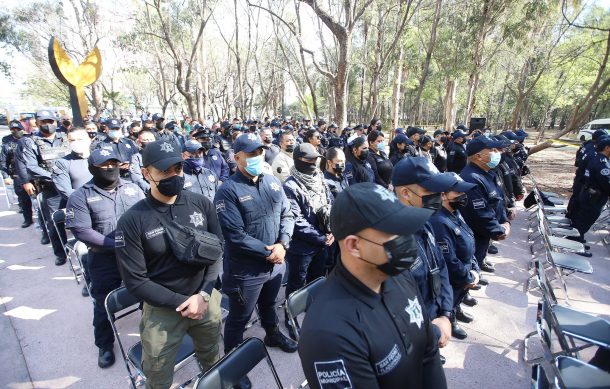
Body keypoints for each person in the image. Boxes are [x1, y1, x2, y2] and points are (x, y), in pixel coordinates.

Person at [298, 182, 446, 389]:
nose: (407, 239)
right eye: (394, 231)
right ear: (354, 245)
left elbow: (428, 353)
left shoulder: (399, 274)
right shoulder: (328, 336)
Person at [116, 140, 223, 388]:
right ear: (146, 173)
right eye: (164, 171)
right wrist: (183, 303)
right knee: (158, 374)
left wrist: (204, 294)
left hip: (205, 299)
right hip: (162, 311)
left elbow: (217, 252)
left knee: (212, 357)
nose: (173, 176)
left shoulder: (201, 204)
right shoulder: (132, 221)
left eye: (177, 169)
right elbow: (135, 280)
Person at [214, 133, 297, 387]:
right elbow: (235, 236)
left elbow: (287, 213)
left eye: (260, 152)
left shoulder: (272, 182)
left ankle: (272, 335)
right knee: (239, 317)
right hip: (245, 271)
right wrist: (270, 251)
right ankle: (234, 365)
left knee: (269, 304)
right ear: (237, 157)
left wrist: (283, 244)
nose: (257, 158)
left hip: (274, 264)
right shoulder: (227, 191)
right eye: (251, 154)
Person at [65, 148, 144, 368]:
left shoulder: (133, 189)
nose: (110, 168)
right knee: (103, 303)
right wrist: (115, 244)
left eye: (114, 163)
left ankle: (150, 334)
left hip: (136, 255)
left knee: (146, 295)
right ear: (92, 168)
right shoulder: (80, 196)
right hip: (103, 260)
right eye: (104, 165)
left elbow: (146, 216)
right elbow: (81, 231)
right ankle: (104, 344)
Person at [391, 157, 454, 357]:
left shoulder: (424, 221)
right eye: (430, 192)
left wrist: (445, 314)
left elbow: (441, 268)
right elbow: (396, 309)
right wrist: (432, 332)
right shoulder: (389, 240)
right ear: (406, 193)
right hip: (409, 340)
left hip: (433, 322)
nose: (439, 197)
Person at [282, 143, 334, 338]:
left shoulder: (319, 178)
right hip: (302, 247)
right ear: (298, 160)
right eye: (309, 160)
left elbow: (329, 203)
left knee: (316, 282)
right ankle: (291, 318)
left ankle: (313, 316)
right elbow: (297, 221)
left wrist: (332, 230)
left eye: (315, 159)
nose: (313, 163)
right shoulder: (290, 186)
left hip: (323, 242)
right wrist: (321, 238)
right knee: (296, 285)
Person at [428, 172, 480, 340]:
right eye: (458, 193)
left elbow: (468, 238)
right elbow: (449, 260)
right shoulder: (439, 221)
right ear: (443, 195)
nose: (463, 196)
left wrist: (474, 268)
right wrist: (467, 277)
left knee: (457, 300)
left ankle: (455, 313)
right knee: (448, 303)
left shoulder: (454, 211)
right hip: (454, 277)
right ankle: (448, 323)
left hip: (464, 272)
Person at [16, 109, 70, 265]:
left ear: (56, 122)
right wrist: (56, 177)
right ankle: (61, 253)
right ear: (37, 123)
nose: (47, 125)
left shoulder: (65, 138)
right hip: (51, 188)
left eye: (50, 121)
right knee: (55, 222)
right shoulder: (30, 142)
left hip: (71, 185)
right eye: (43, 122)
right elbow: (31, 166)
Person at [459, 136, 510, 274]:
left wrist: (504, 220)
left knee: (476, 264)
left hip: (484, 235)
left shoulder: (488, 174)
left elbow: (498, 200)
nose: (497, 153)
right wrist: (498, 230)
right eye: (493, 150)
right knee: (468, 268)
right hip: (475, 235)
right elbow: (479, 214)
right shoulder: (471, 179)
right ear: (479, 156)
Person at [570, 136, 610, 241]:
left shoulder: (597, 159)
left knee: (582, 219)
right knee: (584, 220)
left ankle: (577, 239)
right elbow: (606, 183)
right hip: (593, 196)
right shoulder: (602, 163)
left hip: (589, 193)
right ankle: (575, 242)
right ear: (607, 148)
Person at [1, 121, 33, 227]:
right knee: (24, 200)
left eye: (18, 129)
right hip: (18, 175)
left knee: (41, 200)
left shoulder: (30, 139)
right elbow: (3, 162)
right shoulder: (7, 145)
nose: (16, 132)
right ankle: (28, 219)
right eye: (13, 130)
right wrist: (6, 176)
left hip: (33, 173)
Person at [52, 128, 94, 201]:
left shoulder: (99, 158)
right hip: (81, 205)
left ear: (89, 140)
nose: (76, 143)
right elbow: (65, 191)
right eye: (72, 140)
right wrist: (89, 200)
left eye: (80, 139)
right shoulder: (62, 163)